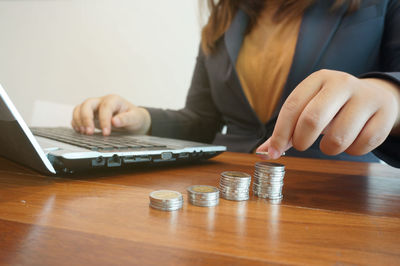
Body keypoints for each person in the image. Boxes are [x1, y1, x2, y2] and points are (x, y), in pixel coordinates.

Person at [71, 0, 400, 168]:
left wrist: (389, 92)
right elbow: (200, 120)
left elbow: (390, 96)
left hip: (337, 195)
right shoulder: (225, 17)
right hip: (223, 190)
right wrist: (142, 119)